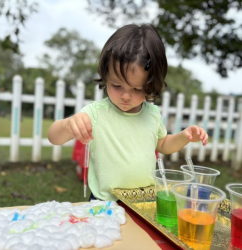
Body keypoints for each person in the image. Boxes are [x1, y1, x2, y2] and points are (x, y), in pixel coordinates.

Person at [48, 23, 208, 201]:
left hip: (145, 200)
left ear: (151, 84)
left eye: (137, 89)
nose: (126, 96)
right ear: (106, 75)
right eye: (117, 85)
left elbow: (162, 144)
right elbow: (54, 137)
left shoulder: (152, 114)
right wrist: (68, 125)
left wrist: (184, 136)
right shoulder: (95, 112)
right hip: (105, 202)